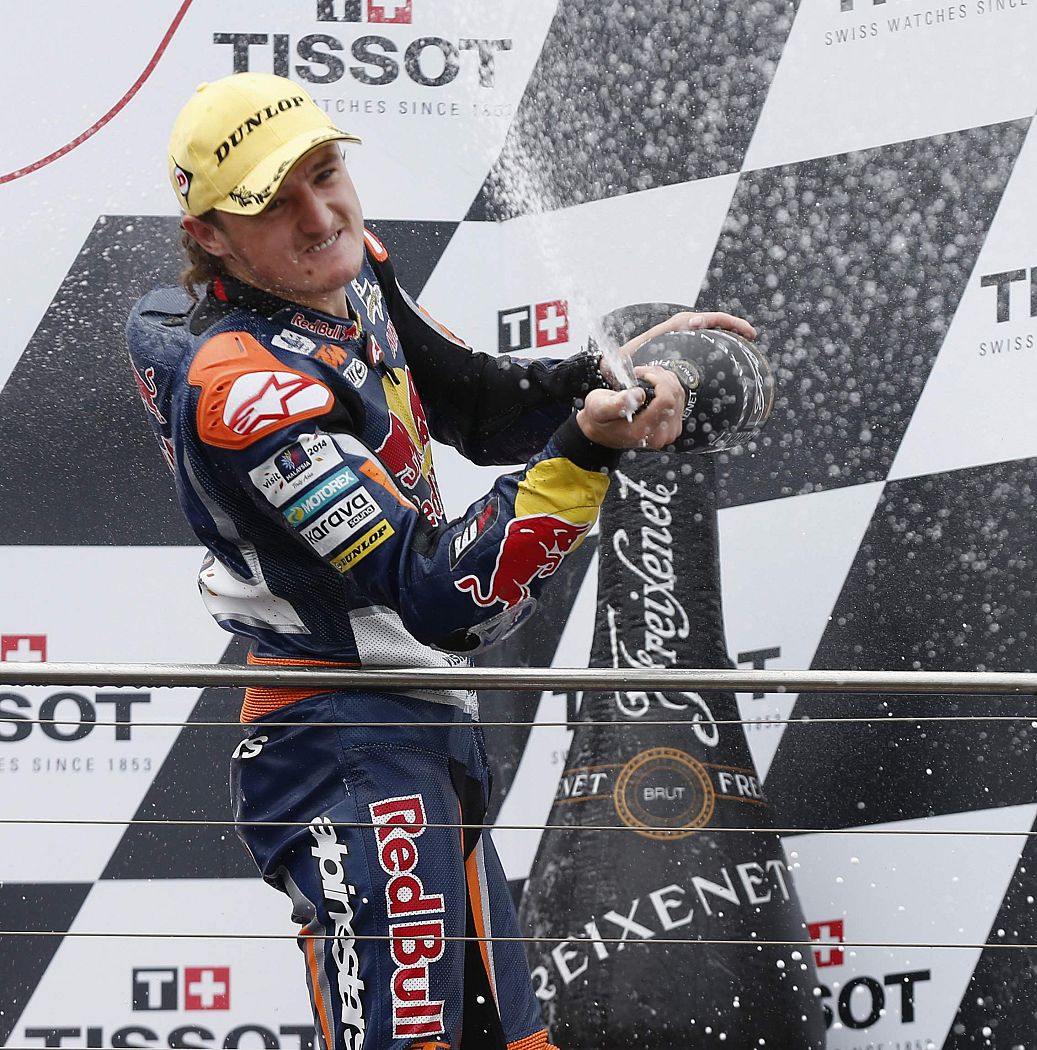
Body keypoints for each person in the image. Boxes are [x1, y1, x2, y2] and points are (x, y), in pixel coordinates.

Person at [125, 72, 755, 1050]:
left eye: (326, 175)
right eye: (273, 202)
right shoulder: (247, 396)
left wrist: (606, 370)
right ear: (209, 233)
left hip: (417, 738)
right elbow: (442, 598)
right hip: (340, 750)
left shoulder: (345, 274)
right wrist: (587, 450)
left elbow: (477, 407)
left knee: (512, 1042)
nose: (319, 213)